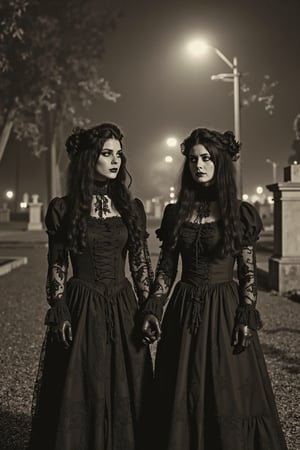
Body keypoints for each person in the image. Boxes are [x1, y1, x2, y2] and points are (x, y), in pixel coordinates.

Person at [141, 127, 288, 450]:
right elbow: (167, 267)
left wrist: (246, 313)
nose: (199, 165)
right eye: (193, 159)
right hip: (184, 310)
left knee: (227, 390)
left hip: (224, 308)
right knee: (182, 389)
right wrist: (154, 306)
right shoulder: (175, 213)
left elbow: (247, 271)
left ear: (219, 162)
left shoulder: (239, 212)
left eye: (207, 158)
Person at [29, 123, 154, 450]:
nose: (115, 160)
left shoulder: (130, 208)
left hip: (124, 305)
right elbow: (57, 263)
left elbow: (140, 263)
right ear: (88, 158)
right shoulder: (64, 208)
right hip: (82, 303)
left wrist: (150, 307)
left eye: (118, 154)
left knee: (129, 384)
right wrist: (59, 307)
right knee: (83, 384)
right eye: (106, 153)